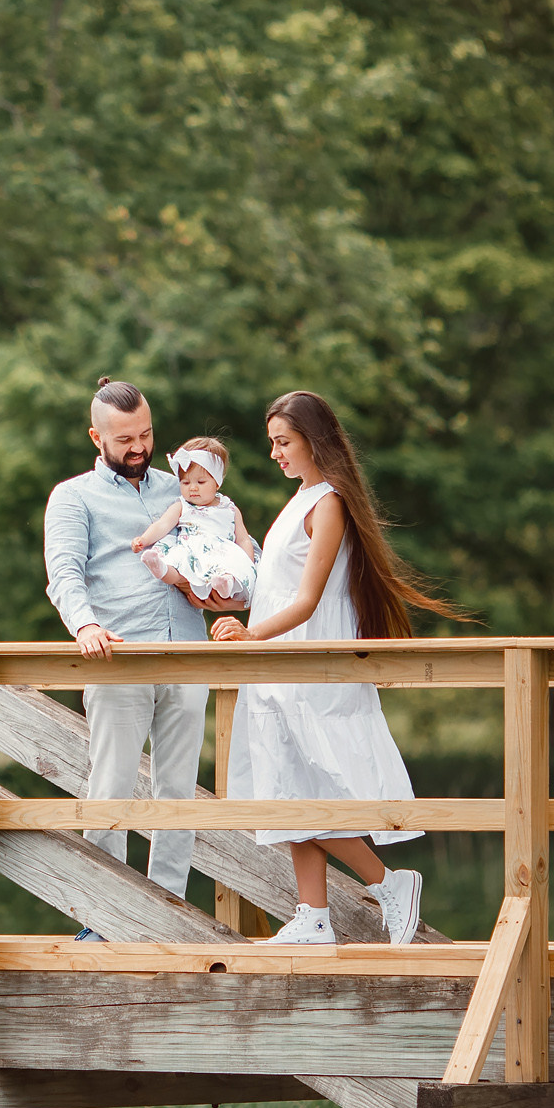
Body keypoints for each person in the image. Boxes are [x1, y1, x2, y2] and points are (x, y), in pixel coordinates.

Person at [210, 391, 467, 945]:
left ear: (313, 441)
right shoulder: (299, 500)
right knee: (285, 787)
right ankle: (314, 915)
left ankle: (389, 882)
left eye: (284, 442)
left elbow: (306, 599)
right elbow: (273, 586)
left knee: (311, 789)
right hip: (278, 670)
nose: (275, 454)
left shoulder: (328, 502)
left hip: (307, 667)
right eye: (273, 444)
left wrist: (251, 636)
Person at [43, 379, 214, 926]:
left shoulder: (183, 488)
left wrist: (224, 594)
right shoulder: (73, 496)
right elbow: (63, 573)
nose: (138, 447)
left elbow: (234, 553)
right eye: (124, 440)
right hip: (117, 656)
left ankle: (168, 912)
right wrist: (85, 625)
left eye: (145, 434)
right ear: (97, 437)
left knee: (178, 793)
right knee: (110, 787)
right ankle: (103, 915)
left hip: (187, 654)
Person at [132, 437, 260, 605]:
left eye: (200, 482)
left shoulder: (230, 509)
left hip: (221, 552)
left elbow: (242, 538)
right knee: (178, 566)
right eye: (185, 482)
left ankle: (226, 584)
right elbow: (163, 524)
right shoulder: (182, 506)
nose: (192, 488)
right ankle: (159, 567)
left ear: (217, 483)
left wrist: (246, 562)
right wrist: (144, 539)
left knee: (231, 568)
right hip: (191, 548)